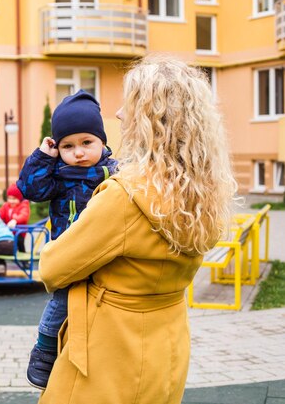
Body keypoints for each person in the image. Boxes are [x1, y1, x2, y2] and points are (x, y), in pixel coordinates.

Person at [37, 56, 237, 404]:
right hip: (166, 349)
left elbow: (53, 268)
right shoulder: (201, 191)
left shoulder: (126, 196)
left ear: (150, 118)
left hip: (109, 354)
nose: (117, 114)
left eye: (127, 104)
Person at [17, 90, 118, 389]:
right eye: (67, 146)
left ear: (102, 142)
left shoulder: (113, 172)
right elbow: (29, 189)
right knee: (61, 301)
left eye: (87, 143)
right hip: (69, 253)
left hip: (105, 253)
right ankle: (45, 349)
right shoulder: (57, 176)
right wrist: (42, 157)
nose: (78, 152)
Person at [0, 183, 30, 252]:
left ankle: (23, 256)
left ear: (20, 198)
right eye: (9, 198)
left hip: (19, 231)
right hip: (8, 230)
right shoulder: (6, 206)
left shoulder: (23, 205)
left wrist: (15, 220)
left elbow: (24, 215)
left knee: (19, 241)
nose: (11, 201)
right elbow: (0, 214)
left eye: (14, 199)